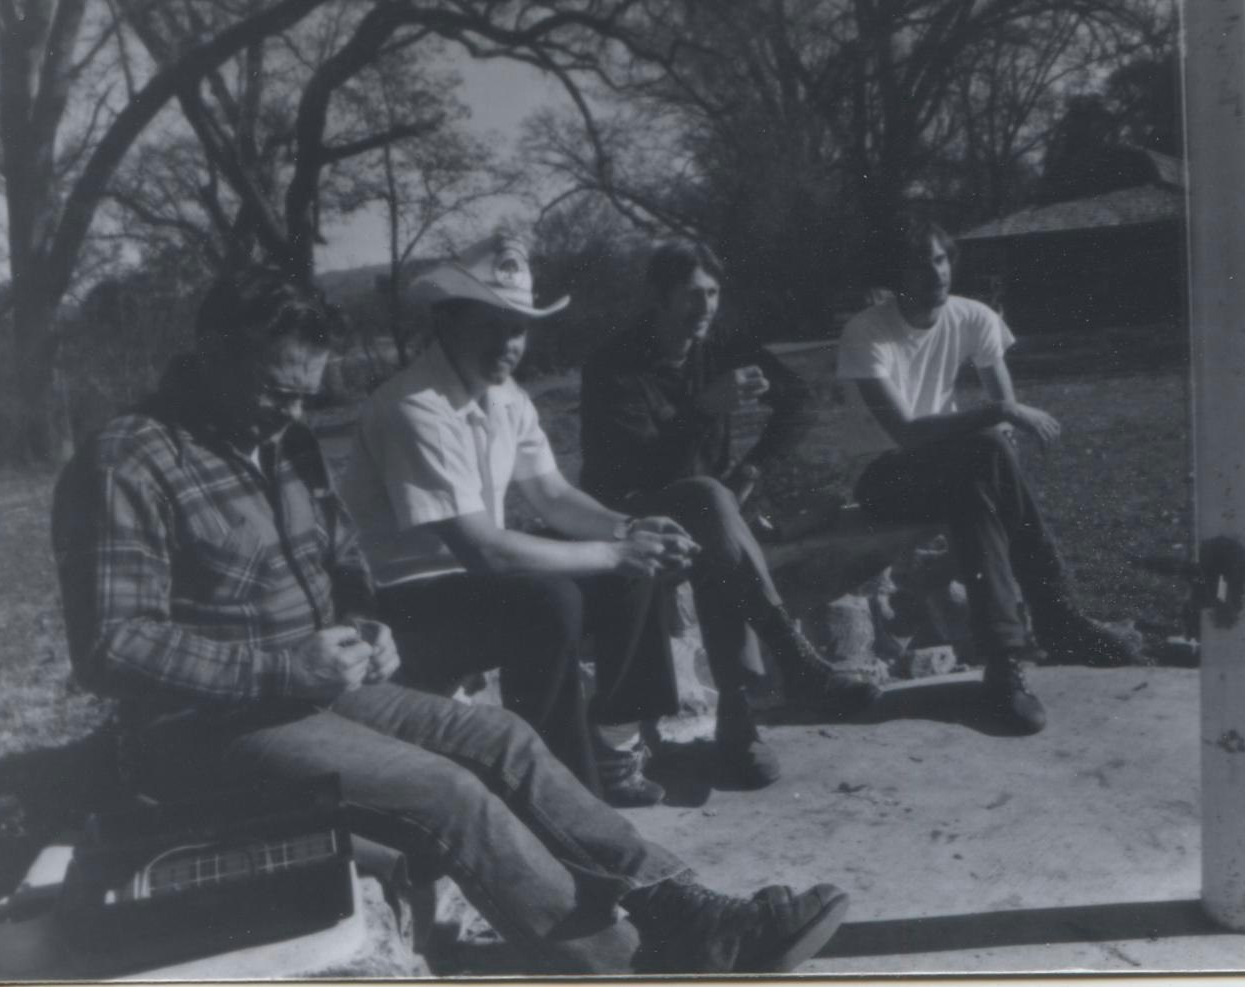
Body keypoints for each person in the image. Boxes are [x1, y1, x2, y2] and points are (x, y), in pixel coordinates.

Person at [51, 269, 850, 976]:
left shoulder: (287, 440)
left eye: (303, 395)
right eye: (272, 390)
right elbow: (109, 646)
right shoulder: (129, 459)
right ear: (211, 350)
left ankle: (686, 910)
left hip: (323, 691)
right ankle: (620, 970)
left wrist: (366, 620)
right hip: (201, 732)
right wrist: (289, 667)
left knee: (503, 739)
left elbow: (341, 563)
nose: (286, 414)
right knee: (446, 794)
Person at [340, 235, 707, 807]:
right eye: (492, 326)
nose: (509, 343)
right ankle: (561, 796)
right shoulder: (413, 405)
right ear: (448, 322)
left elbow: (552, 493)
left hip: (471, 583)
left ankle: (615, 747)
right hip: (406, 604)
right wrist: (614, 552)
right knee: (548, 600)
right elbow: (483, 551)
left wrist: (629, 531)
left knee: (631, 567)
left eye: (519, 327)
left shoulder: (503, 393)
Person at [580, 239, 880, 789]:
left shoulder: (719, 347)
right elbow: (629, 469)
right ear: (659, 296)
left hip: (708, 512)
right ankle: (761, 699)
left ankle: (741, 717)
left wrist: (750, 473)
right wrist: (701, 411)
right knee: (709, 505)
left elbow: (800, 401)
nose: (707, 306)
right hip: (626, 515)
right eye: (693, 294)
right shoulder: (613, 364)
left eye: (714, 292)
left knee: (716, 519)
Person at [836, 216, 1148, 735]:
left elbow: (1002, 415)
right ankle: (1055, 614)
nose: (935, 273)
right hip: (884, 478)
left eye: (940, 259)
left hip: (958, 470)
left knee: (974, 488)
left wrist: (998, 416)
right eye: (919, 264)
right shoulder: (866, 332)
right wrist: (996, 414)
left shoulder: (973, 316)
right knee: (982, 450)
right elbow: (909, 433)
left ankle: (1004, 663)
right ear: (896, 275)